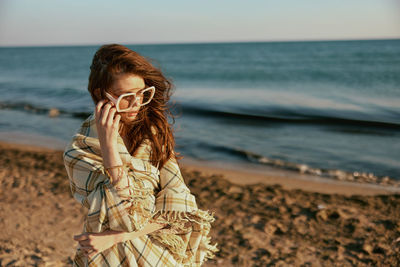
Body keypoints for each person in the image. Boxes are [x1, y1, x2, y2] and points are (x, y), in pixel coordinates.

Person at [63, 44, 218, 266]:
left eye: (142, 93)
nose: (136, 104)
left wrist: (117, 237)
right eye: (125, 96)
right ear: (100, 94)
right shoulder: (79, 151)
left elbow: (181, 212)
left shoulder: (153, 134)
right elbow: (123, 216)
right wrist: (109, 149)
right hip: (111, 257)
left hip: (155, 252)